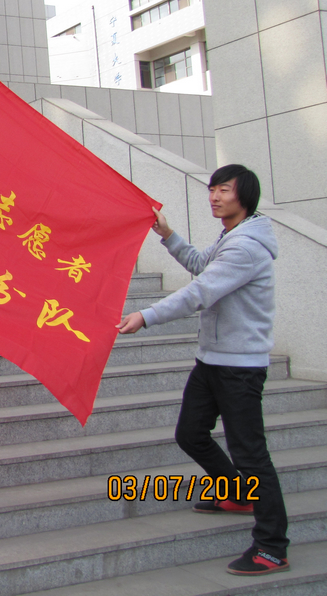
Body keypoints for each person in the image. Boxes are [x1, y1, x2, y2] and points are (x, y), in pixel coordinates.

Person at [116, 164, 288, 576]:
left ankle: (272, 546)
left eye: (224, 190)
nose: (214, 196)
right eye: (212, 189)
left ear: (244, 196)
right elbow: (200, 264)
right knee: (190, 433)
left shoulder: (246, 247)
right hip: (212, 359)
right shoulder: (231, 236)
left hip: (239, 368)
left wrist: (146, 315)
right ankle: (236, 494)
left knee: (251, 454)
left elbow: (200, 291)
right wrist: (167, 234)